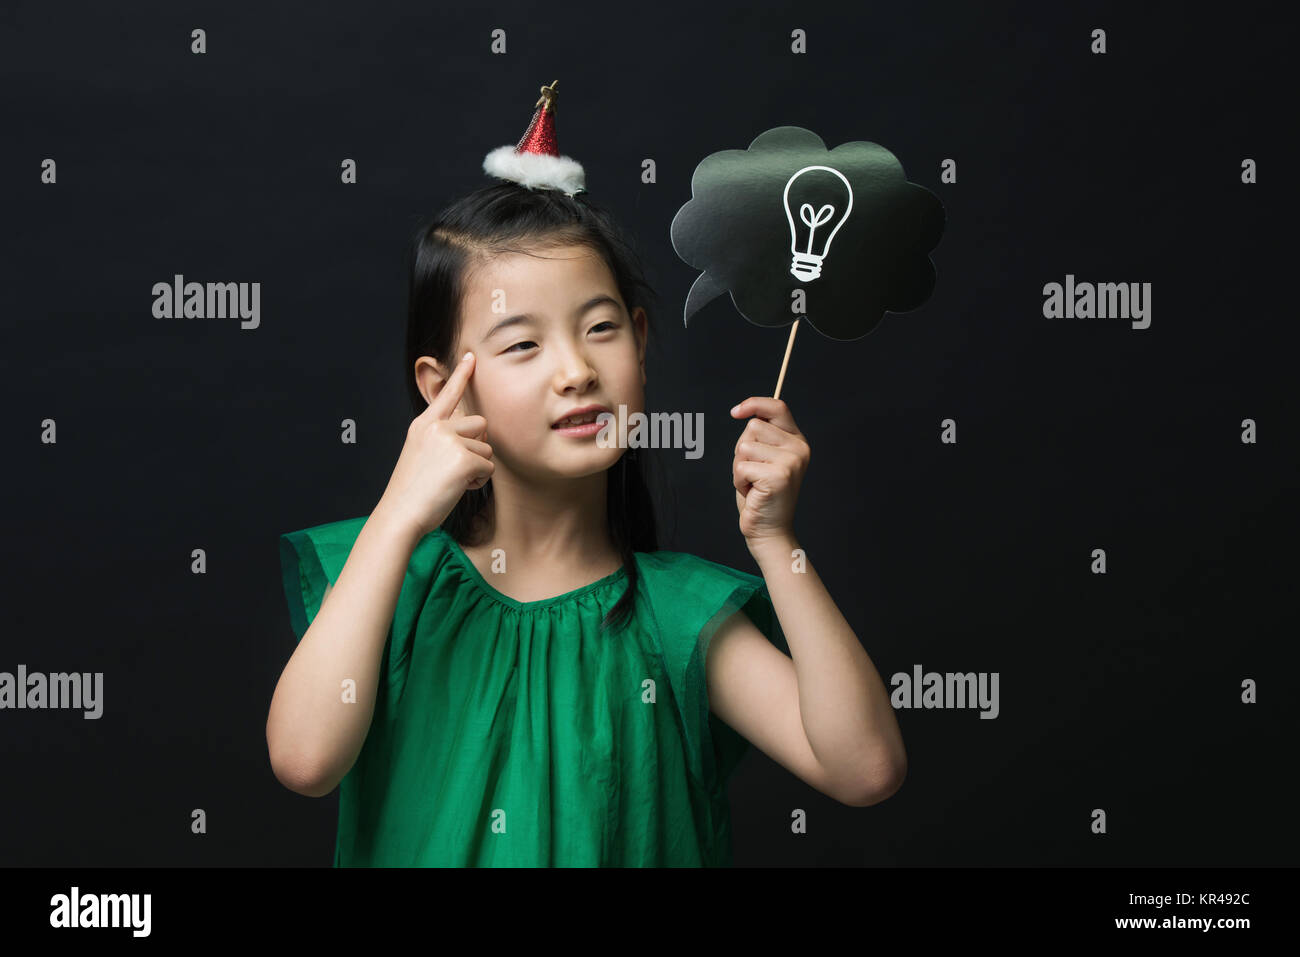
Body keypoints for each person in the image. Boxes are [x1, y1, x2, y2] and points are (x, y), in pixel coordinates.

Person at [266, 81, 906, 866]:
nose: (576, 370)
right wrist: (397, 515)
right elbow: (304, 759)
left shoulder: (675, 616)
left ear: (638, 341)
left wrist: (777, 542)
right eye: (522, 344)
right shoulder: (395, 584)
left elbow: (865, 768)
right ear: (441, 386)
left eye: (600, 328)